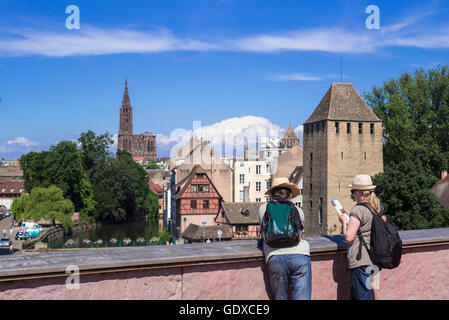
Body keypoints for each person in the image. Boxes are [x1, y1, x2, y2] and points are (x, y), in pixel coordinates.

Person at [258, 177, 311, 300]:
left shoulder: (263, 209)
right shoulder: (298, 210)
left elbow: (264, 231)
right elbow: (302, 235)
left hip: (275, 256)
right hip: (300, 255)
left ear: (271, 194)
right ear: (291, 195)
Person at [337, 174, 381, 300]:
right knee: (358, 294)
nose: (353, 195)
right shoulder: (376, 208)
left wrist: (344, 222)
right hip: (373, 258)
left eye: (353, 191)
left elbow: (349, 237)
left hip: (360, 259)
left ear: (359, 192)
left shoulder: (358, 210)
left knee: (362, 295)